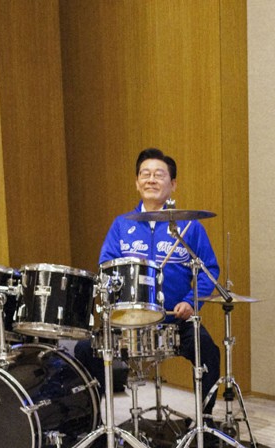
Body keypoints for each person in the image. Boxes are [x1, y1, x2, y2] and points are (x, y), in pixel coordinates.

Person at [74, 147, 221, 419]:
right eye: (145, 174)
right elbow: (105, 266)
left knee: (208, 350)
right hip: (127, 321)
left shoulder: (189, 227)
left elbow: (209, 270)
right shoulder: (121, 225)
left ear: (173, 184)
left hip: (174, 320)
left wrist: (191, 302)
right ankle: (94, 424)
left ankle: (205, 421)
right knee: (85, 351)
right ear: (137, 182)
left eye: (159, 175)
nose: (151, 179)